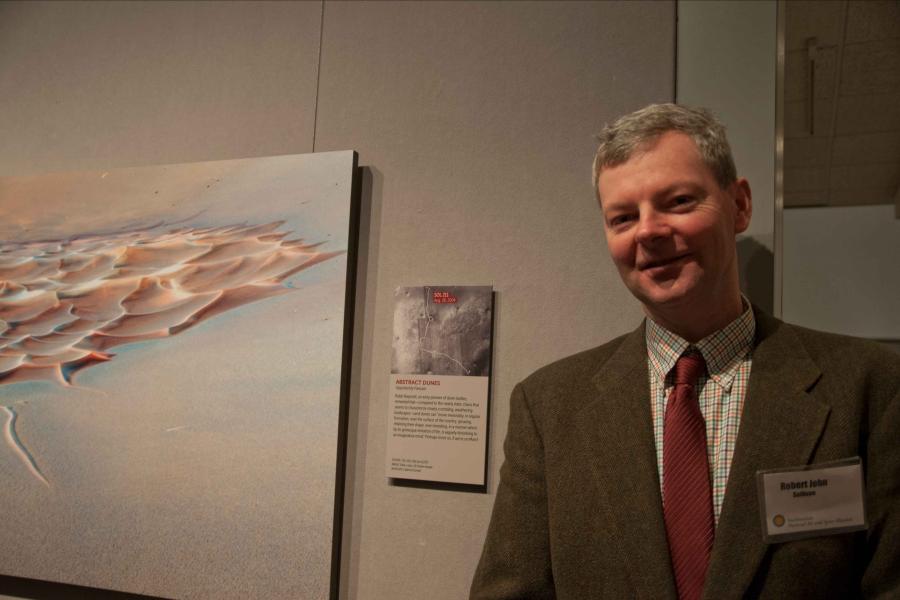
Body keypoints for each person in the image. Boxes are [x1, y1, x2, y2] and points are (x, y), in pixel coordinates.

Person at [470, 104, 900, 599]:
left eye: (676, 201)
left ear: (739, 206)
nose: (648, 231)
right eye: (623, 217)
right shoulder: (547, 405)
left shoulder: (870, 386)